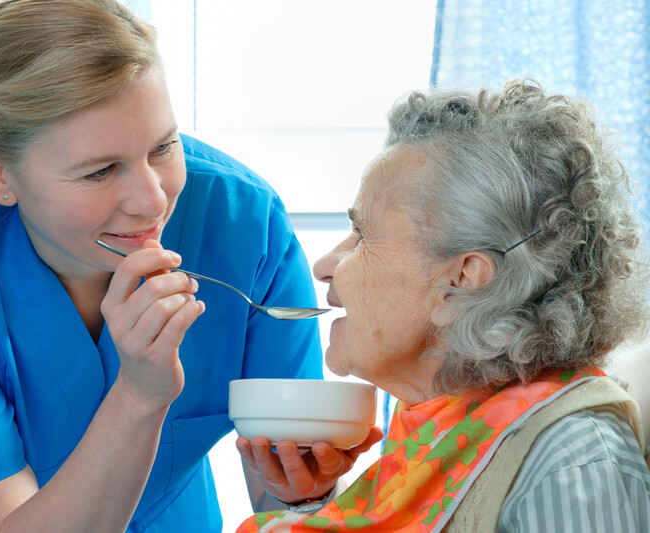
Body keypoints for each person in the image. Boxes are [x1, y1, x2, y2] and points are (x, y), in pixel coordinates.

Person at [0, 1, 380, 531]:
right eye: (100, 171)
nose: (153, 202)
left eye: (163, 146)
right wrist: (140, 393)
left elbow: (282, 483)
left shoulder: (245, 226)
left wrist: (303, 491)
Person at [237, 79, 650, 532]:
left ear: (461, 281)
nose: (325, 265)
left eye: (362, 235)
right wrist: (309, 501)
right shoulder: (440, 429)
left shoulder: (573, 458)